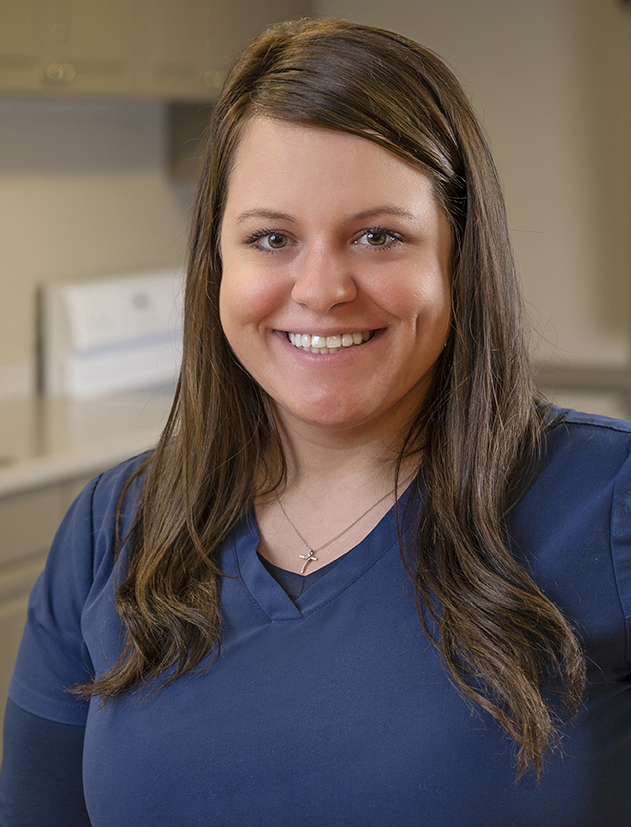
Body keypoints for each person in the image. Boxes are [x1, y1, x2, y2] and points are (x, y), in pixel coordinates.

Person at [1, 17, 630, 827]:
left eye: (378, 236)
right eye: (271, 238)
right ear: (217, 262)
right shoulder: (111, 528)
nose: (322, 289)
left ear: (458, 255)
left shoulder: (607, 502)